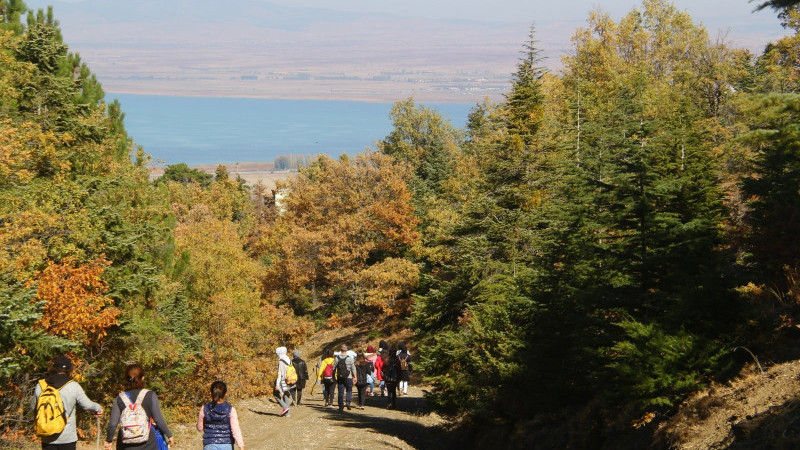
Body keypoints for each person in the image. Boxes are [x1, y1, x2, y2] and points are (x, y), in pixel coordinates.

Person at [32, 355, 103, 450]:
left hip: (47, 436)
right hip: (67, 437)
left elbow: (33, 407)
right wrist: (98, 408)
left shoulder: (41, 385)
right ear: (69, 369)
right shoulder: (73, 385)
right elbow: (87, 405)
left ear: (53, 368)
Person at [105, 364, 174, 450]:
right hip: (148, 443)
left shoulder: (120, 398)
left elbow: (113, 424)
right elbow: (158, 419)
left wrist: (109, 440)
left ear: (126, 380)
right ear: (143, 378)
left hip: (125, 444)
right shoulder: (150, 395)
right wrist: (169, 435)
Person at [197, 381, 245, 450]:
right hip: (227, 444)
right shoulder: (231, 410)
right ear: (225, 394)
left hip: (210, 444)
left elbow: (200, 428)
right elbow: (235, 430)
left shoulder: (204, 409)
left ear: (210, 393)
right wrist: (241, 446)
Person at [335, 344, 356, 411]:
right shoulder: (350, 358)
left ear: (340, 350)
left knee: (340, 392)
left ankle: (341, 406)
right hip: (349, 377)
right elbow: (353, 368)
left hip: (340, 377)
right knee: (349, 391)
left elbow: (333, 368)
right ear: (346, 350)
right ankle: (348, 402)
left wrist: (334, 376)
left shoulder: (337, 358)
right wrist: (355, 377)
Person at [274, 346, 294, 417]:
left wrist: (277, 384)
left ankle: (285, 407)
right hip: (290, 379)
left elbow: (280, 374)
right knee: (286, 394)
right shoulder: (288, 359)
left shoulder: (281, 361)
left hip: (283, 380)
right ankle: (287, 414)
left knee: (275, 394)